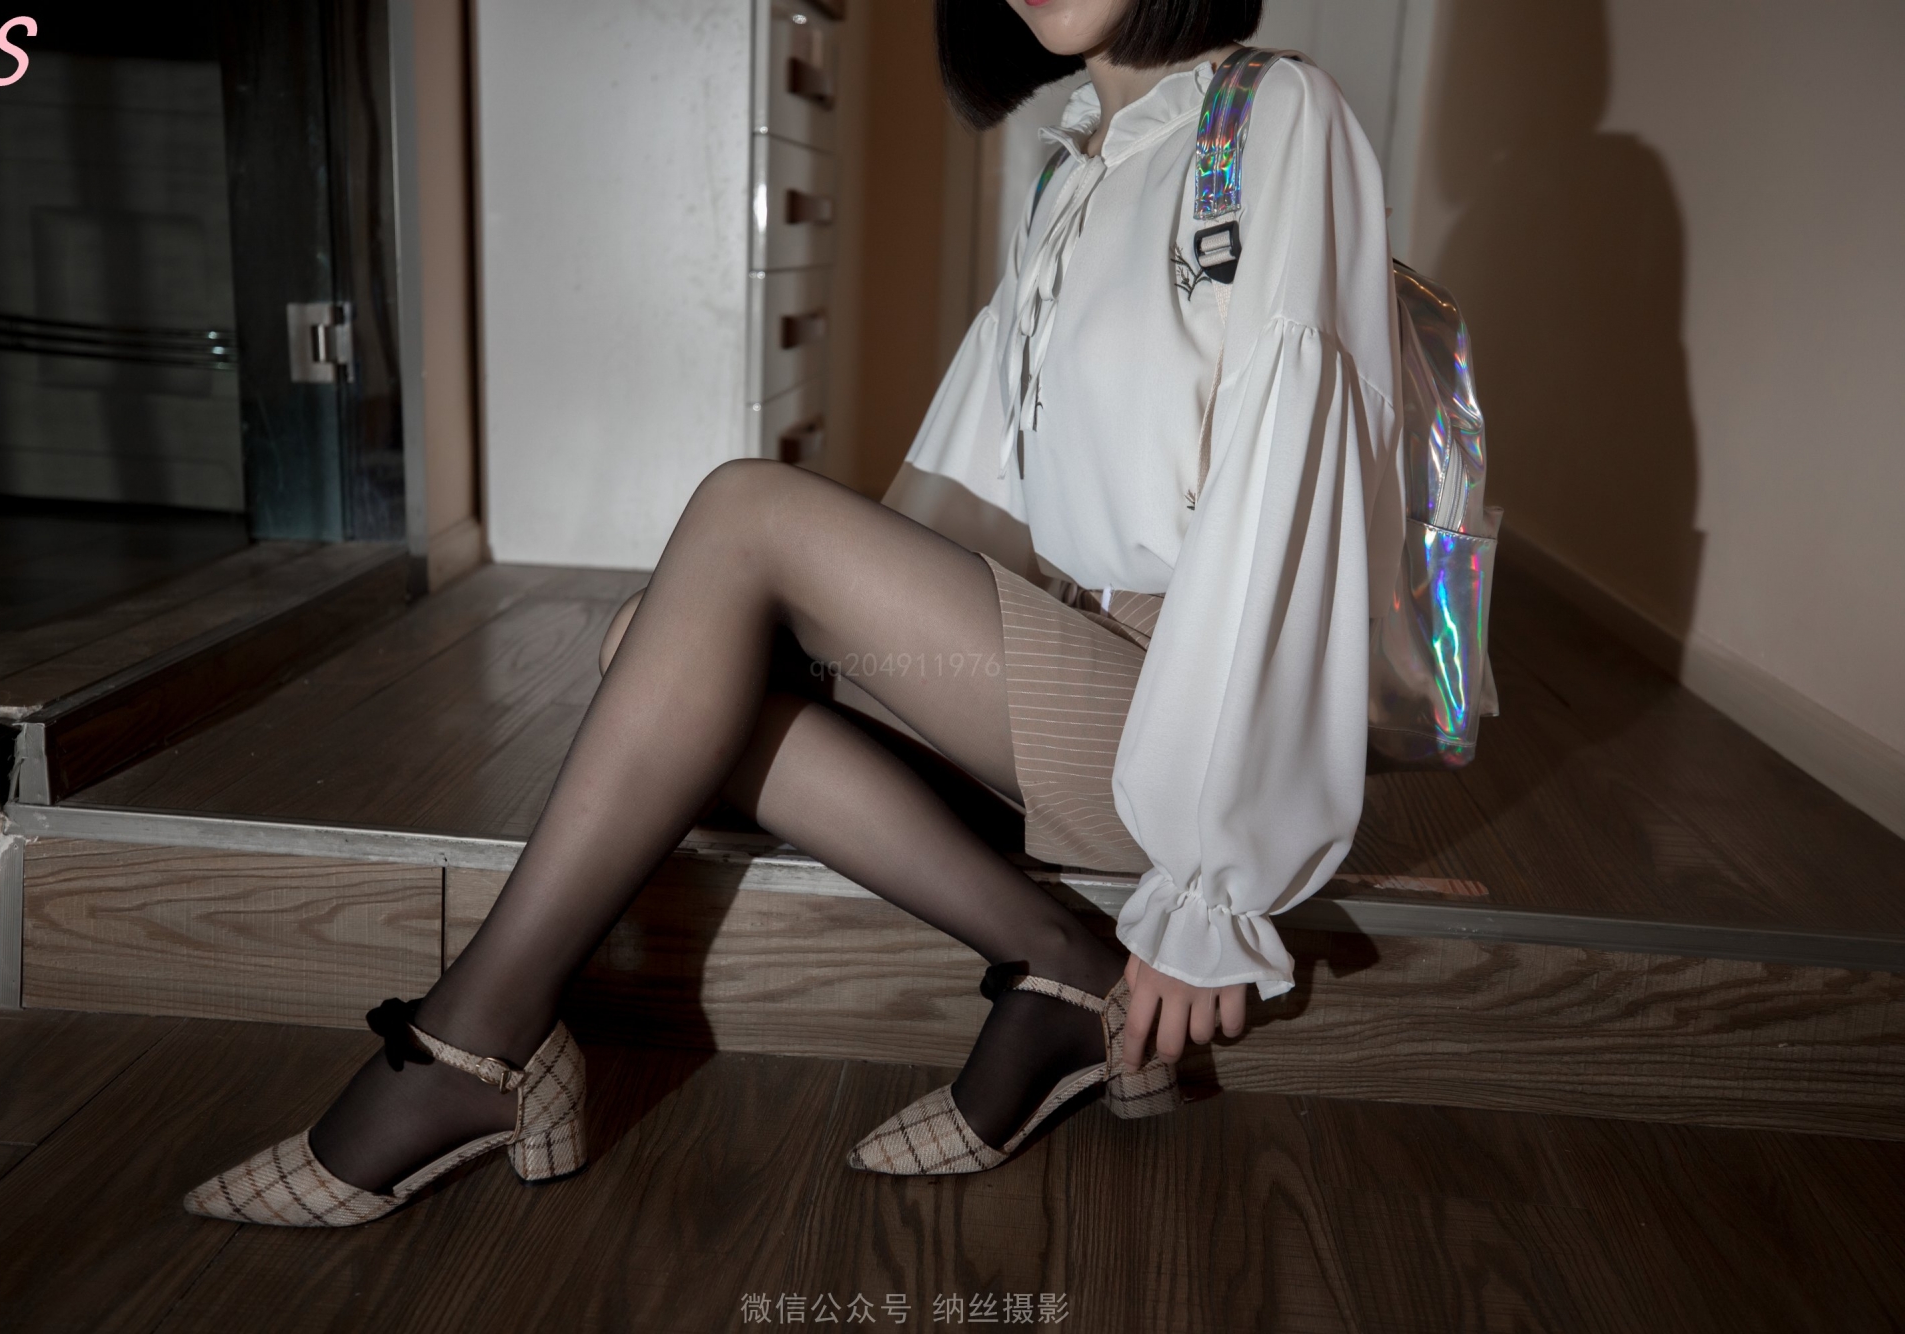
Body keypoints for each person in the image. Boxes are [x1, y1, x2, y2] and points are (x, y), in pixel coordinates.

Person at [184, 0, 1401, 1225]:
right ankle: (1062, 964)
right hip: (1066, 658)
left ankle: (477, 1041)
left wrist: (1212, 884)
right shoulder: (1072, 160)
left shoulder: (1274, 115)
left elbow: (1292, 482)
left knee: (745, 514)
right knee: (654, 645)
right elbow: (971, 493)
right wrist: (823, 628)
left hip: (1186, 711)